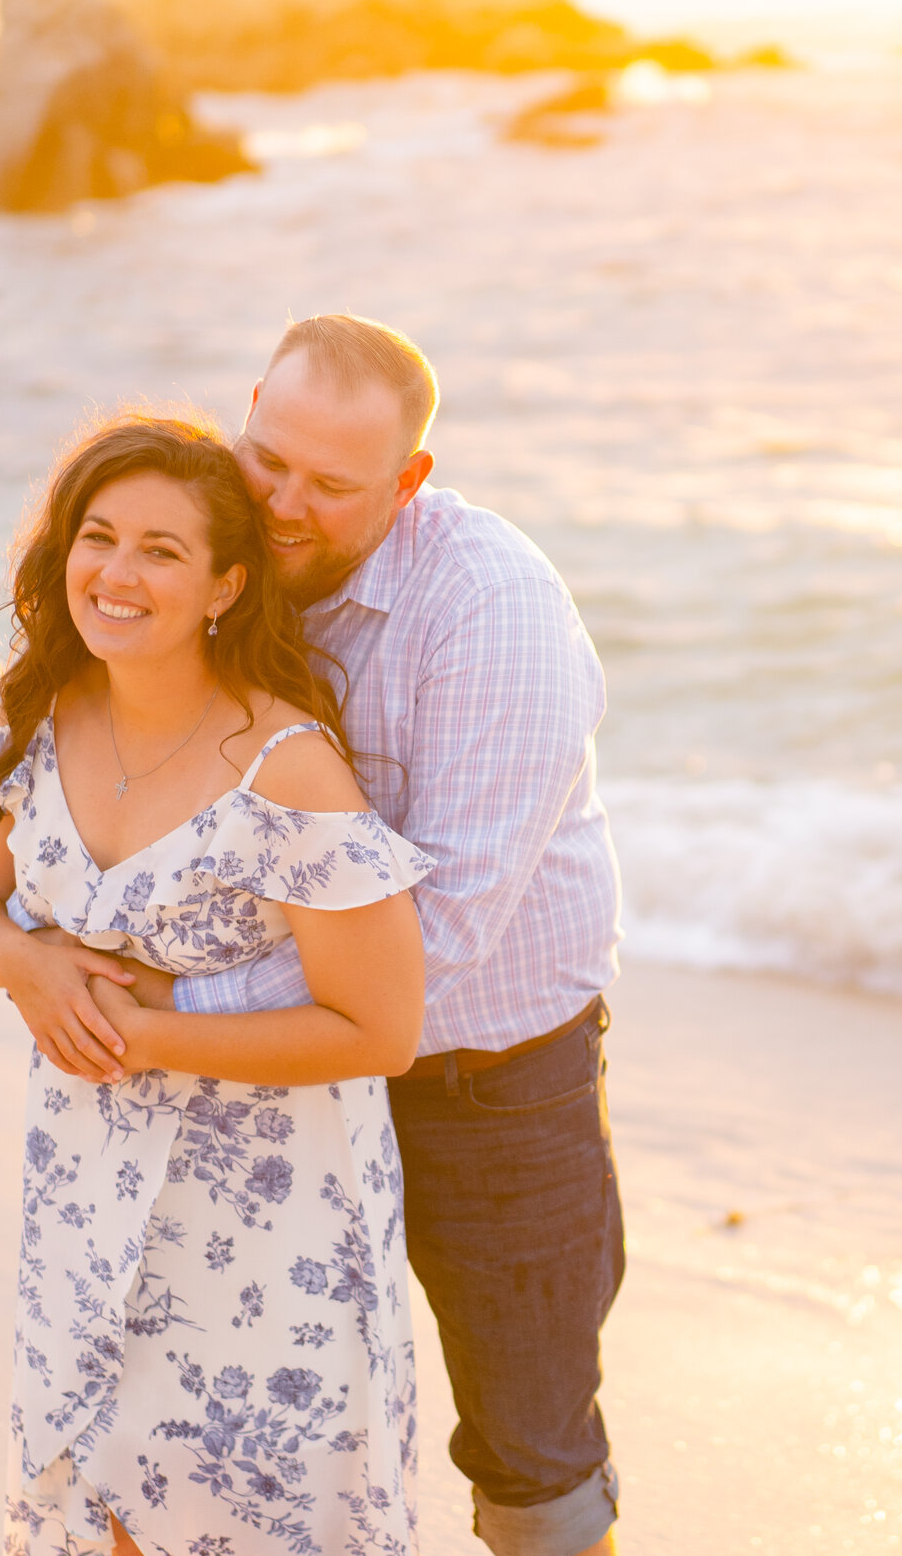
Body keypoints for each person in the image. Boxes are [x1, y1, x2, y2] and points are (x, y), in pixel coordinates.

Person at [100, 316, 627, 1556]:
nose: (281, 503)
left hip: (485, 1083)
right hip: (272, 1081)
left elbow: (435, 934)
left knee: (530, 1454)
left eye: (331, 486)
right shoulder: (223, 563)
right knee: (240, 1430)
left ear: (409, 482)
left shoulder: (491, 609)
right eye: (267, 457)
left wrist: (163, 1020)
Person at [0, 414, 434, 1556]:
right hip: (85, 1192)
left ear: (225, 584)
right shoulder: (41, 721)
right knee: (102, 1505)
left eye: (161, 549)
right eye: (98, 535)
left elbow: (380, 1026)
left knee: (256, 1522)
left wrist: (150, 1040)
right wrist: (23, 963)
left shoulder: (286, 767)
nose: (116, 571)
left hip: (270, 1223)